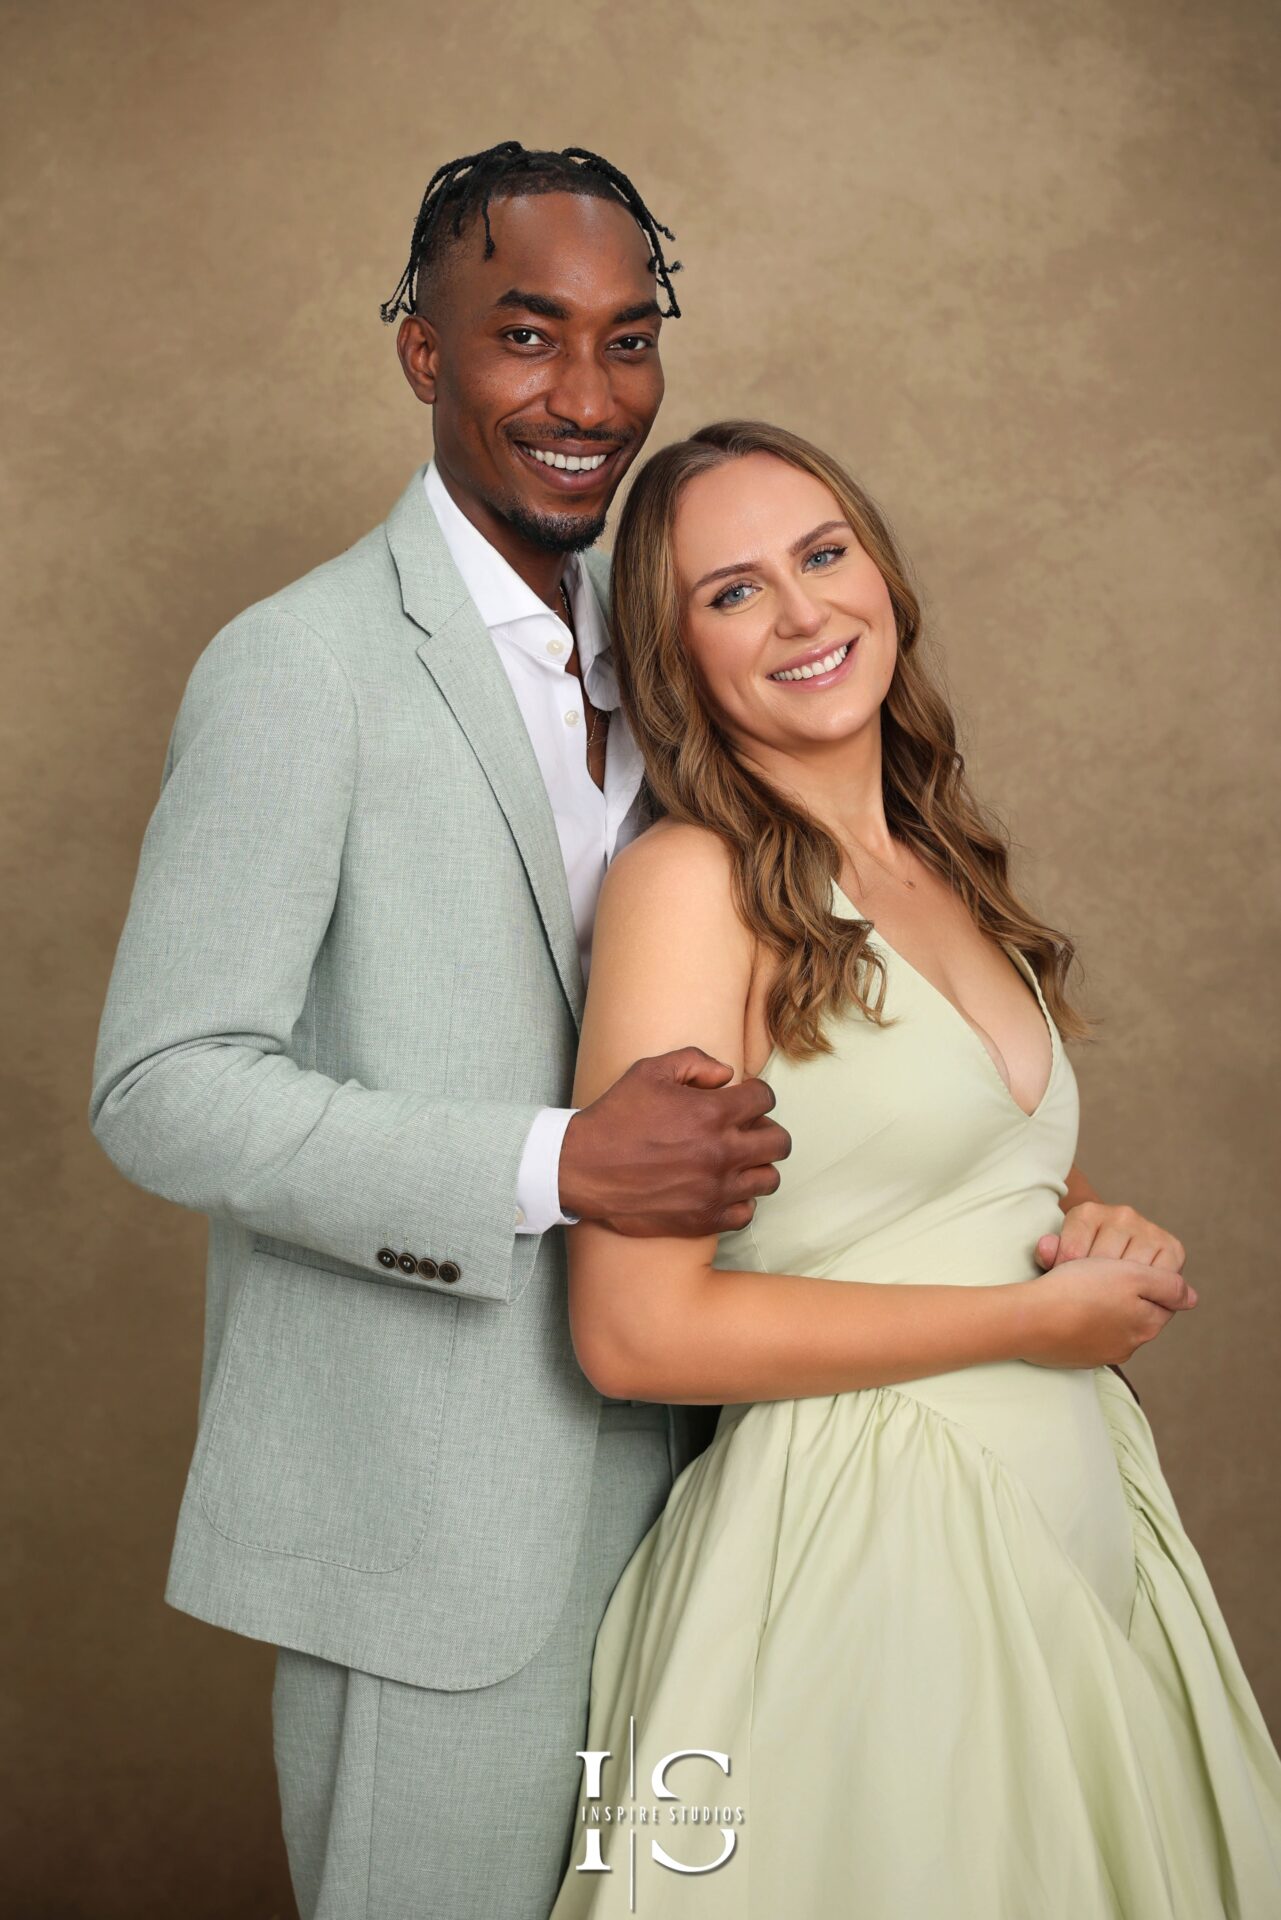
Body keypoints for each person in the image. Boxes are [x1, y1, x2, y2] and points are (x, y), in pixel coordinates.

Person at [87, 144, 802, 1920]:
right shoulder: (301, 664)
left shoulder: (677, 658)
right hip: (429, 1534)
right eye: (526, 335)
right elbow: (164, 1089)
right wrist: (555, 1164)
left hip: (714, 1505)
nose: (589, 398)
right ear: (424, 350)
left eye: (629, 340)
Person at [547, 420, 1281, 1917]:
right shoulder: (687, 887)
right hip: (866, 1555)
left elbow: (934, 1181)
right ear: (674, 659)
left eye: (822, 555)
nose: (803, 611)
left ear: (879, 572)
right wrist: (1025, 1320)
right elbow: (634, 1331)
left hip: (1069, 1514)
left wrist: (1091, 1230)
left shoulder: (937, 863)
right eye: (733, 592)